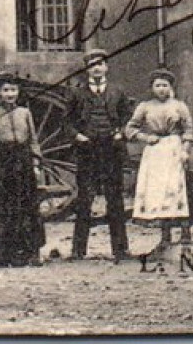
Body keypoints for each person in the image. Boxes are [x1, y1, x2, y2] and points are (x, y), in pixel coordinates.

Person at [68, 50, 133, 261]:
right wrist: (77, 136)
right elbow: (66, 122)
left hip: (111, 150)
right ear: (87, 69)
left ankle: (120, 249)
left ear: (106, 67)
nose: (96, 68)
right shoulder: (77, 94)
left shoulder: (118, 92)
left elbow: (127, 118)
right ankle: (78, 251)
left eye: (100, 64)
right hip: (87, 151)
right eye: (92, 64)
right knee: (84, 199)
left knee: (115, 199)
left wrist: (120, 132)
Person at [126, 68, 193, 258]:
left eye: (165, 85)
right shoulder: (145, 107)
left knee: (177, 189)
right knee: (159, 191)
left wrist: (185, 150)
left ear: (170, 87)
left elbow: (189, 130)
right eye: (158, 85)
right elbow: (130, 129)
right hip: (155, 151)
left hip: (174, 148)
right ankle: (165, 235)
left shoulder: (179, 106)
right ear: (152, 88)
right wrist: (145, 137)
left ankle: (185, 233)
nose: (161, 89)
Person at [0, 75, 46, 267]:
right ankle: (2, 254)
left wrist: (35, 162)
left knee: (28, 207)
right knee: (4, 208)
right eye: (6, 90)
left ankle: (31, 252)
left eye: (13, 90)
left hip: (23, 161)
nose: (10, 94)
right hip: (4, 162)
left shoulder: (25, 113)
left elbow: (32, 140)